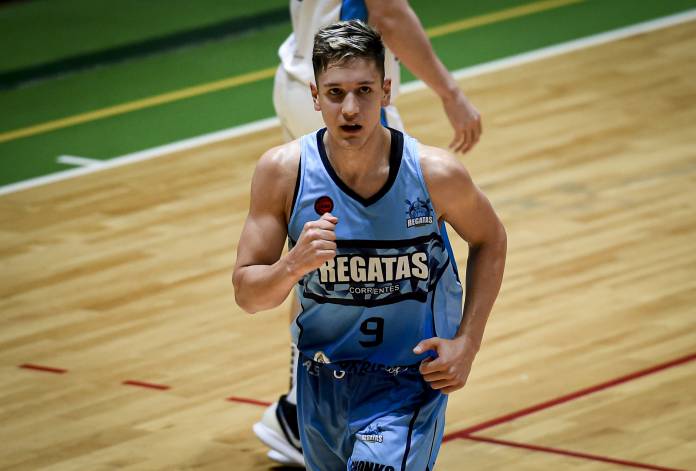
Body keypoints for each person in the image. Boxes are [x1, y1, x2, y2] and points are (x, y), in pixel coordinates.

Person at [233, 20, 506, 470]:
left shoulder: (435, 174)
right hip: (320, 384)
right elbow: (247, 294)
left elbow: (490, 238)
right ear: (314, 96)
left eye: (364, 90)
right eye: (335, 93)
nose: (350, 109)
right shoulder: (282, 173)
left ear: (386, 91)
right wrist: (292, 265)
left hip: (407, 385)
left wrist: (468, 342)